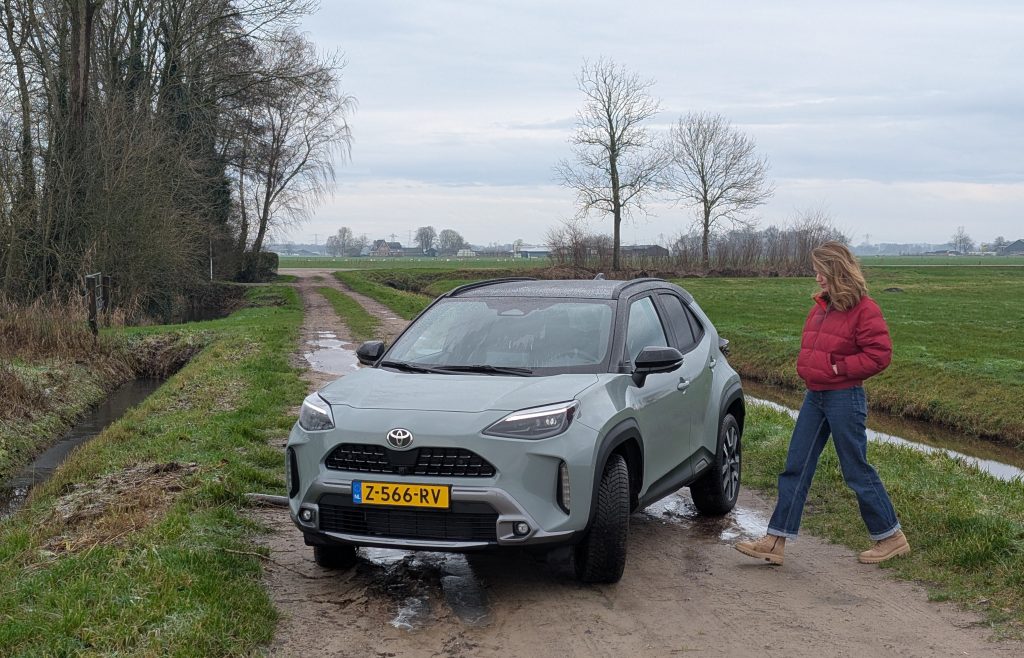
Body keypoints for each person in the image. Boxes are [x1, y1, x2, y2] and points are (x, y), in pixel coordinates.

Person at [735, 241, 910, 566]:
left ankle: (890, 537)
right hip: (815, 395)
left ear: (837, 270)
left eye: (821, 270)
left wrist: (837, 368)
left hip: (845, 397)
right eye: (816, 271)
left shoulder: (865, 309)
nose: (817, 277)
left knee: (855, 468)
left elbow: (880, 355)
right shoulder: (822, 307)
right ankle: (775, 540)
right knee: (795, 466)